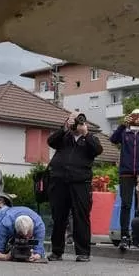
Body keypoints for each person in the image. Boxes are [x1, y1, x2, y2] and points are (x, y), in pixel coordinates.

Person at [47, 112, 103, 262]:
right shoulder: (64, 137)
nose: (77, 124)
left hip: (80, 183)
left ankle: (83, 252)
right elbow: (50, 141)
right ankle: (56, 251)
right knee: (58, 217)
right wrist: (65, 127)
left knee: (81, 217)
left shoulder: (90, 139)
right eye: (75, 121)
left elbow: (98, 150)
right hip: (59, 182)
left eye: (80, 122)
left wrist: (86, 134)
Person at [109, 108, 139, 251]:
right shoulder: (125, 132)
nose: (137, 118)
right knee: (126, 204)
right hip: (126, 173)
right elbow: (113, 139)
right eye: (135, 116)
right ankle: (124, 236)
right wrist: (123, 125)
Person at [0, 193, 45, 262]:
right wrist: (6, 257)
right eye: (21, 236)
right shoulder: (6, 224)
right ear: (15, 229)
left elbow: (39, 250)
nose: (25, 239)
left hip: (13, 214)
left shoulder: (39, 226)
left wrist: (36, 255)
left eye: (28, 236)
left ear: (33, 228)